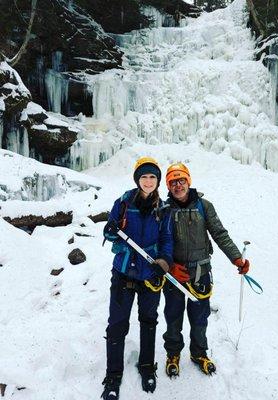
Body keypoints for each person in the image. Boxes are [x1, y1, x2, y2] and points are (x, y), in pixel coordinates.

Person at [163, 162, 250, 377]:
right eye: (173, 182)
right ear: (168, 186)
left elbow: (219, 234)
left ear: (188, 181)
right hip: (174, 274)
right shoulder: (163, 210)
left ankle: (199, 353)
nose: (178, 185)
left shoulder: (205, 206)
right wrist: (170, 267)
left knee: (199, 317)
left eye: (181, 180)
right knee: (173, 316)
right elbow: (158, 242)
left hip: (200, 271)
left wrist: (236, 258)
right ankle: (173, 353)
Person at [102, 157, 173, 400]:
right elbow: (109, 231)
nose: (148, 181)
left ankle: (146, 366)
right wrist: (110, 232)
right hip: (123, 272)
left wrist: (164, 261)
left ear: (157, 181)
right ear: (137, 179)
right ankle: (113, 375)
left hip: (150, 275)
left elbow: (166, 240)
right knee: (117, 325)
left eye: (153, 177)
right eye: (144, 176)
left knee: (149, 321)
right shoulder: (122, 203)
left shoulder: (162, 209)